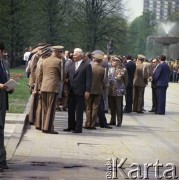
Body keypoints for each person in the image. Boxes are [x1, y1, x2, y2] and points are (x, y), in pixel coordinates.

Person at [63, 48, 92, 133]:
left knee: (79, 111)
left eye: (75, 54)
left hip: (80, 91)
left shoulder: (86, 65)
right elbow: (67, 76)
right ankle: (70, 126)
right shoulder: (71, 64)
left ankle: (78, 128)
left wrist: (87, 91)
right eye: (73, 54)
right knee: (70, 110)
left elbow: (89, 79)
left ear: (80, 55)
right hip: (71, 90)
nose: (73, 56)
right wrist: (65, 85)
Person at [40, 46, 64, 134]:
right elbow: (62, 77)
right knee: (51, 108)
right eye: (60, 52)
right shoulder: (59, 61)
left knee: (45, 108)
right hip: (53, 87)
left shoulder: (44, 60)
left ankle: (44, 126)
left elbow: (40, 74)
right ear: (58, 52)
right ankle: (49, 128)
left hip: (44, 86)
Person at [0, 41, 14, 171]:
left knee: (1, 130)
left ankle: (2, 161)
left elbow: (5, 78)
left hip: (3, 100)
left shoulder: (5, 64)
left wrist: (10, 87)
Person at [84, 53, 105, 130]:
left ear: (94, 59)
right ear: (101, 61)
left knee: (88, 107)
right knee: (95, 107)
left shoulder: (90, 67)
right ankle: (92, 124)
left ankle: (87, 123)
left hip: (89, 90)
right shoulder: (103, 70)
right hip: (98, 90)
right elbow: (104, 81)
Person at [108, 56, 128, 127]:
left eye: (114, 61)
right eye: (112, 61)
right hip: (111, 90)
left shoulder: (123, 70)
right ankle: (112, 120)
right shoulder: (110, 69)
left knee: (119, 107)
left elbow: (126, 81)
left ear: (118, 62)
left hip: (119, 90)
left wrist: (122, 88)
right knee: (112, 107)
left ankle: (119, 121)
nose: (112, 62)